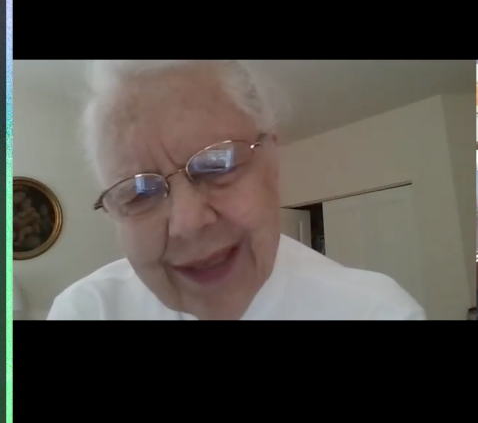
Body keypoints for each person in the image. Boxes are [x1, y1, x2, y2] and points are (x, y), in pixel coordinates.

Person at [48, 60, 426, 320]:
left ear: (272, 163)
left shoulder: (375, 313)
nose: (189, 223)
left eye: (218, 164)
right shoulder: (87, 312)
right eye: (138, 193)